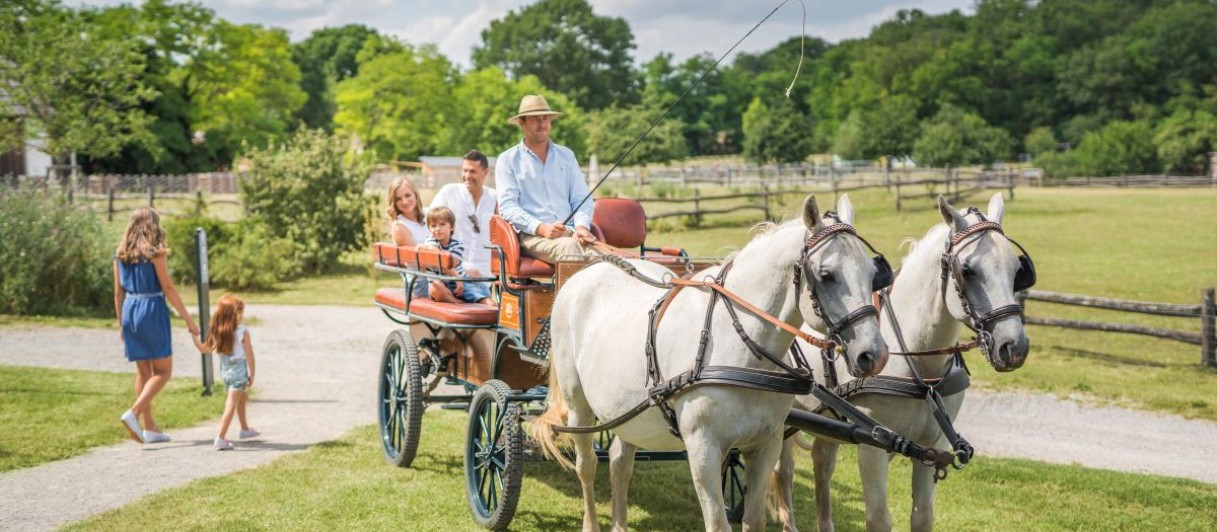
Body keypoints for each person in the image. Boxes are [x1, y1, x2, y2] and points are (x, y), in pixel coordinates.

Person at [113, 206, 199, 444]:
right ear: (153, 226)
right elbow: (169, 288)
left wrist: (122, 323)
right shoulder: (155, 253)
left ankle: (150, 428)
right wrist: (189, 320)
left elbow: (117, 294)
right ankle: (135, 412)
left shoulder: (120, 254)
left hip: (130, 309)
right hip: (151, 309)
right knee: (163, 372)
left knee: (144, 372)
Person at [496, 94, 598, 264]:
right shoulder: (508, 160)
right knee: (570, 250)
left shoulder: (567, 156)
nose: (542, 124)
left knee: (608, 259)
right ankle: (568, 292)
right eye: (535, 120)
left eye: (546, 119)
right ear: (522, 123)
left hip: (571, 233)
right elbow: (507, 207)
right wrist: (541, 227)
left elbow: (582, 199)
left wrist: (581, 227)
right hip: (532, 236)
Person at [190, 293, 260, 450]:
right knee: (231, 404)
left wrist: (194, 337)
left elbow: (204, 349)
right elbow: (250, 355)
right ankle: (220, 437)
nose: (242, 315)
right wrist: (252, 373)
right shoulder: (242, 332)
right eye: (240, 312)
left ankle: (245, 429)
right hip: (239, 373)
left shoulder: (217, 332)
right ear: (232, 315)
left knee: (242, 397)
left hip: (226, 373)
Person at [429, 149, 497, 278]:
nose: (467, 175)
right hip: (454, 272)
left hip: (486, 274)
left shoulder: (495, 198)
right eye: (465, 170)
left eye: (472, 171)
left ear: (485, 172)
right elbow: (431, 224)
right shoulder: (449, 192)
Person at [420, 206, 494, 305]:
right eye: (433, 226)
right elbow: (441, 261)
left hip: (459, 280)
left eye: (442, 224)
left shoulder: (458, 245)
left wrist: (459, 279)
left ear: (451, 227)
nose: (437, 229)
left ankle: (485, 301)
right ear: (429, 228)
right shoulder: (431, 241)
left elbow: (452, 264)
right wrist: (458, 279)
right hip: (447, 282)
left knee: (479, 284)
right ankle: (462, 302)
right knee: (437, 286)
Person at [387, 176, 428, 247]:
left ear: (415, 194)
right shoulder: (399, 227)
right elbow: (417, 256)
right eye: (398, 199)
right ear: (394, 203)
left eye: (408, 195)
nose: (404, 202)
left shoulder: (429, 213)